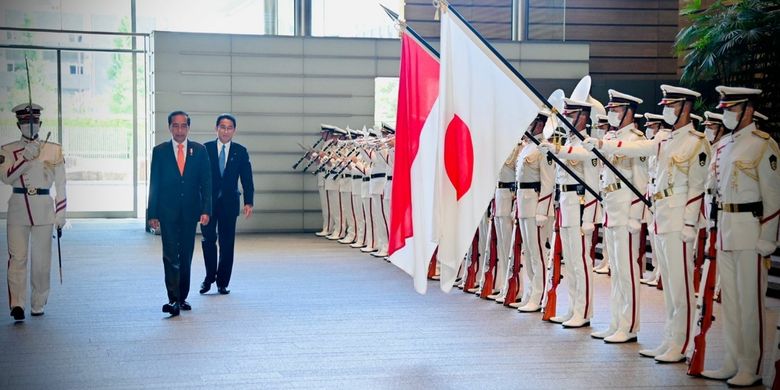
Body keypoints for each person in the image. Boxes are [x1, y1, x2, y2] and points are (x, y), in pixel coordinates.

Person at [585, 85, 710, 363]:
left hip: (679, 220)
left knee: (681, 287)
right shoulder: (665, 139)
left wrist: (690, 223)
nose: (666, 109)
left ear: (685, 107)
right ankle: (670, 339)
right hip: (661, 217)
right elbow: (640, 150)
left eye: (671, 105)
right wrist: (604, 144)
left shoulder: (695, 141)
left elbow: (697, 187)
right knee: (668, 289)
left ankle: (684, 344)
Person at [700, 86, 779, 387]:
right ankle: (732, 361)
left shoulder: (763, 144)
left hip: (750, 230)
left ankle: (752, 365)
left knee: (750, 303)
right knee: (731, 303)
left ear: (747, 110)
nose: (726, 114)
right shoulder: (723, 146)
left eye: (731, 109)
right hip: (726, 229)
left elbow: (773, 196)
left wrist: (767, 238)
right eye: (724, 109)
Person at [1, 103, 66, 321]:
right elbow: (6, 178)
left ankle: (38, 302)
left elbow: (62, 184)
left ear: (40, 123)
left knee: (41, 261)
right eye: (25, 122)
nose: (30, 125)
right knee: (17, 259)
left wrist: (61, 213)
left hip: (44, 208)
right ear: (18, 124)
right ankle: (17, 304)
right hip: (18, 208)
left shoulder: (54, 149)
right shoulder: (7, 150)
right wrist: (24, 159)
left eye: (34, 121)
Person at [148, 110, 211, 317]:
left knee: (186, 256)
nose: (179, 130)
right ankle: (172, 299)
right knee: (169, 256)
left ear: (189, 128)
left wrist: (206, 210)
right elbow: (154, 184)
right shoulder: (160, 151)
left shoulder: (199, 151)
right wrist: (152, 213)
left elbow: (206, 184)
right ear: (169, 128)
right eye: (175, 125)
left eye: (183, 125)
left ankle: (182, 297)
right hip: (167, 212)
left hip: (190, 212)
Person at [199, 113, 254, 295]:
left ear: (234, 131)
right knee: (208, 240)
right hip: (208, 204)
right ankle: (209, 278)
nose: (225, 131)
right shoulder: (205, 149)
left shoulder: (240, 151)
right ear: (216, 128)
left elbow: (247, 178)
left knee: (227, 243)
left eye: (229, 128)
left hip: (230, 204)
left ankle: (222, 282)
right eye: (222, 127)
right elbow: (198, 178)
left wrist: (249, 201)